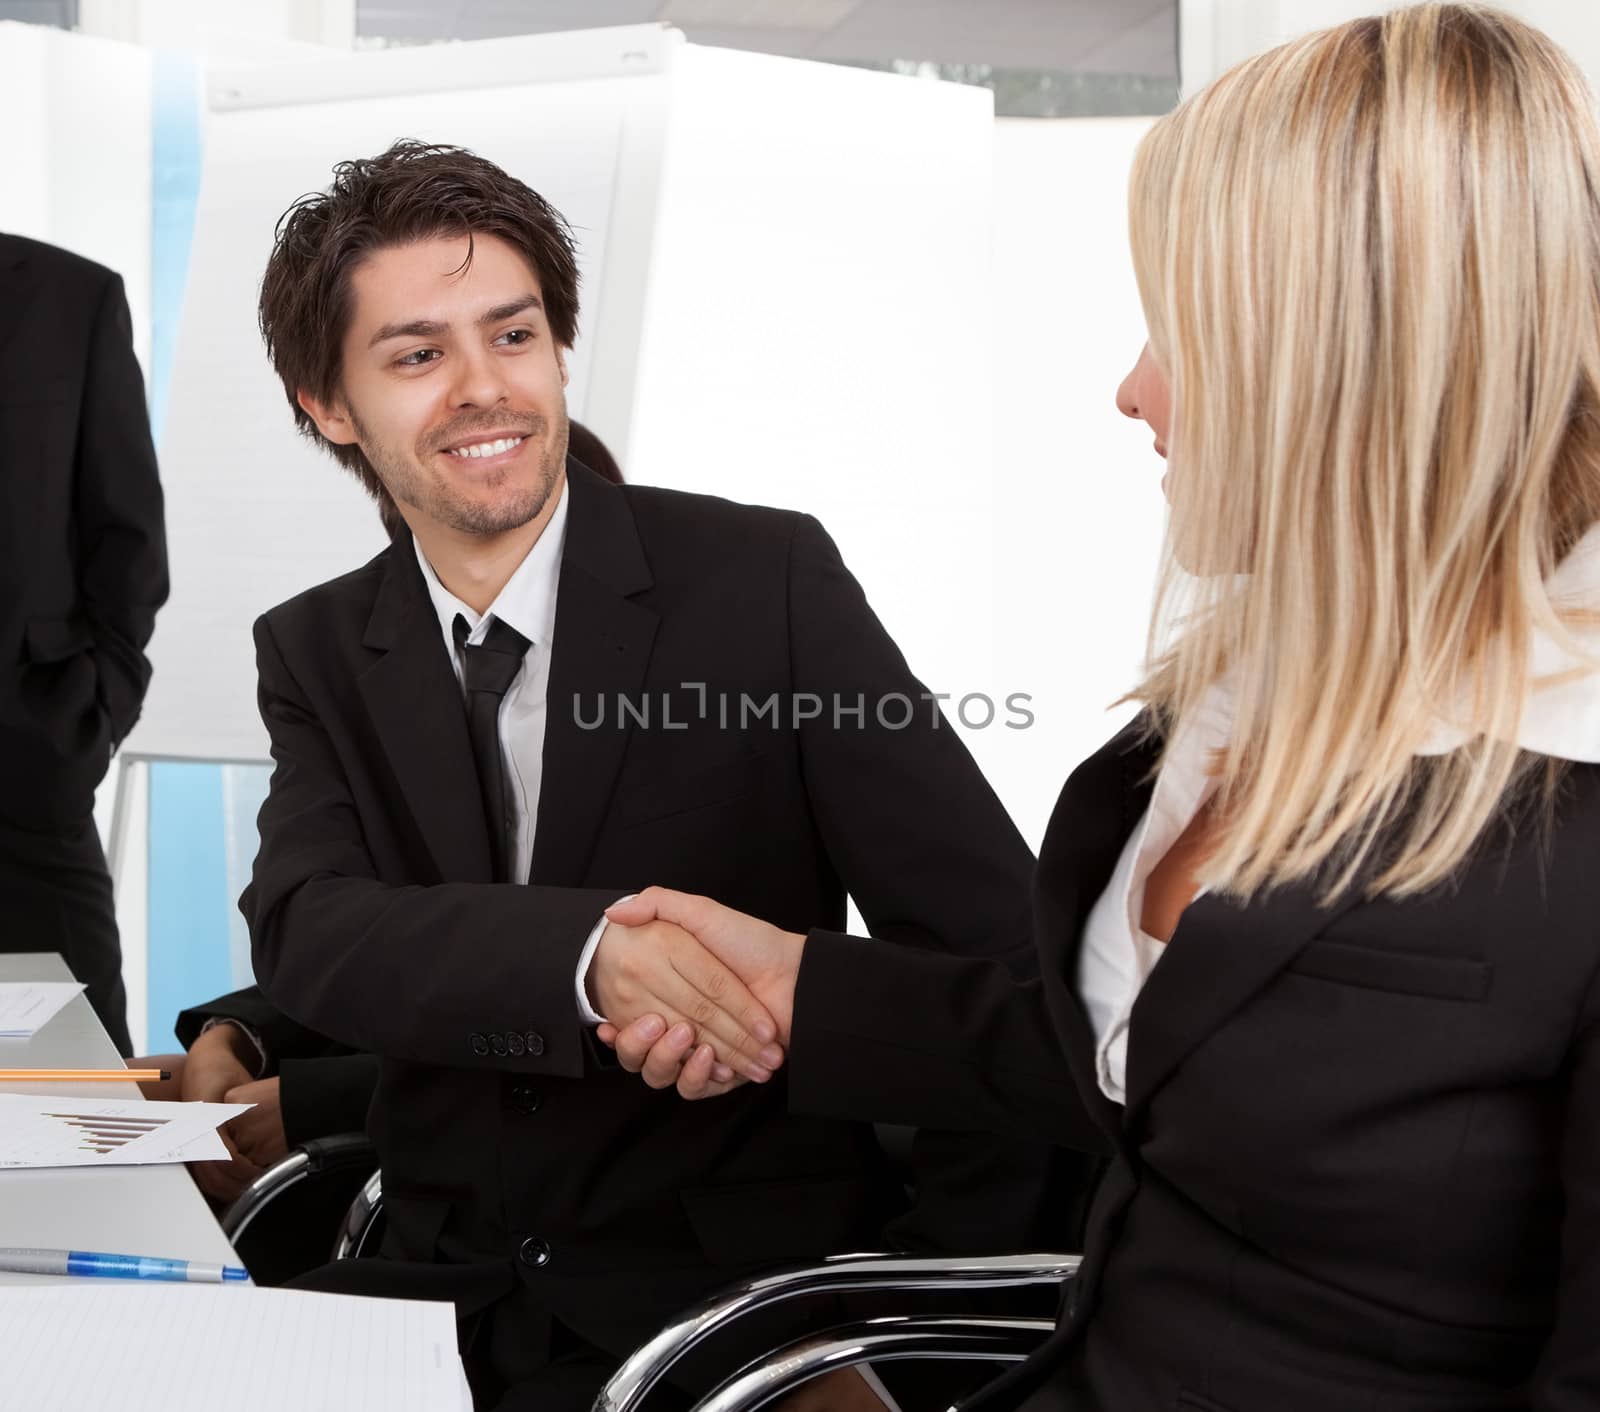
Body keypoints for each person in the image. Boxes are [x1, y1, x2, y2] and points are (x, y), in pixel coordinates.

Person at [600, 7, 1600, 1409]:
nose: (1132, 391)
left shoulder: (1572, 795)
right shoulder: (1224, 713)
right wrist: (795, 986)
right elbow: (1157, 1055)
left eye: (1180, 334)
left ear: (1338, 365)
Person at [238, 141, 1084, 1410]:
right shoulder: (315, 644)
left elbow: (1003, 972)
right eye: (418, 354)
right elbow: (310, 926)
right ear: (330, 404)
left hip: (738, 1319)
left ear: (559, 348)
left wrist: (901, 1306)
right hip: (439, 1299)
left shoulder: (764, 584)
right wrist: (591, 959)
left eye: (512, 334)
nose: (484, 388)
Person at [134, 420, 629, 1209]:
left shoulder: (655, 706)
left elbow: (545, 999)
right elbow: (358, 925)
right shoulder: (380, 674)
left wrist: (311, 1099)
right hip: (397, 1097)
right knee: (114, 1088)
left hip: (542, 1170)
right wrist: (234, 1033)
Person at [0, 233, 168, 1056]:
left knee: (78, 1094)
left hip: (24, 774)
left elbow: (127, 536)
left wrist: (89, 717)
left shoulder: (72, 297)